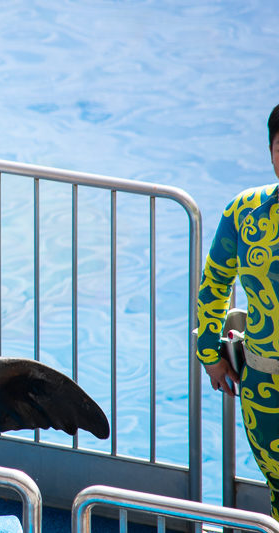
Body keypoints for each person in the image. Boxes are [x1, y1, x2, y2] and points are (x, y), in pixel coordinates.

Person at [197, 103, 279, 519]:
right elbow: (214, 285)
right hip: (265, 389)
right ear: (270, 151)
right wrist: (211, 356)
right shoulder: (243, 212)